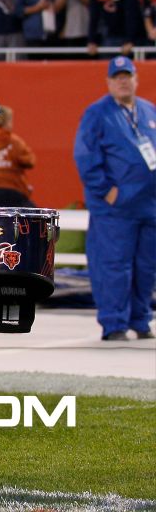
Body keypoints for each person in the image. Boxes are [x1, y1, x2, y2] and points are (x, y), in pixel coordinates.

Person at [73, 56, 156, 341]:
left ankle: (140, 319)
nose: (123, 81)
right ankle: (114, 324)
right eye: (117, 76)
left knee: (147, 265)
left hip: (149, 204)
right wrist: (107, 191)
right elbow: (85, 156)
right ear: (109, 82)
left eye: (127, 75)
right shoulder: (97, 113)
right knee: (114, 265)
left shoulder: (148, 111)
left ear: (136, 78)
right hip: (115, 208)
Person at [0, 105, 37, 206]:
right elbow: (30, 161)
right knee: (33, 218)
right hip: (13, 191)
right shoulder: (14, 142)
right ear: (7, 123)